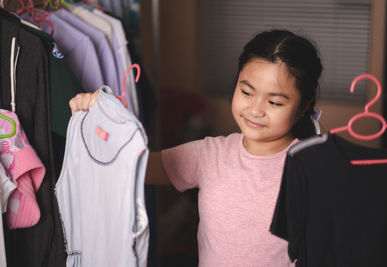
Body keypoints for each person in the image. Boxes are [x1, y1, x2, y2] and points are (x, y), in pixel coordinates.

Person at [69, 29, 322, 266]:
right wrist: (97, 118)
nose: (256, 109)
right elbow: (130, 167)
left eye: (274, 102)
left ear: (303, 106)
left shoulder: (313, 169)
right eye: (246, 92)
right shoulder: (209, 154)